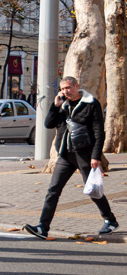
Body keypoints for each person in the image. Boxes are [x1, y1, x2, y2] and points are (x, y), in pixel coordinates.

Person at [25, 76, 119, 238]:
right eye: (62, 88)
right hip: (65, 155)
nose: (65, 91)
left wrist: (96, 156)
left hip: (84, 155)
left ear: (76, 86)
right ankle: (43, 227)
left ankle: (110, 220)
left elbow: (99, 132)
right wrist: (55, 107)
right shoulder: (63, 105)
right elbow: (48, 124)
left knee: (93, 190)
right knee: (53, 190)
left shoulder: (91, 104)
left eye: (68, 88)